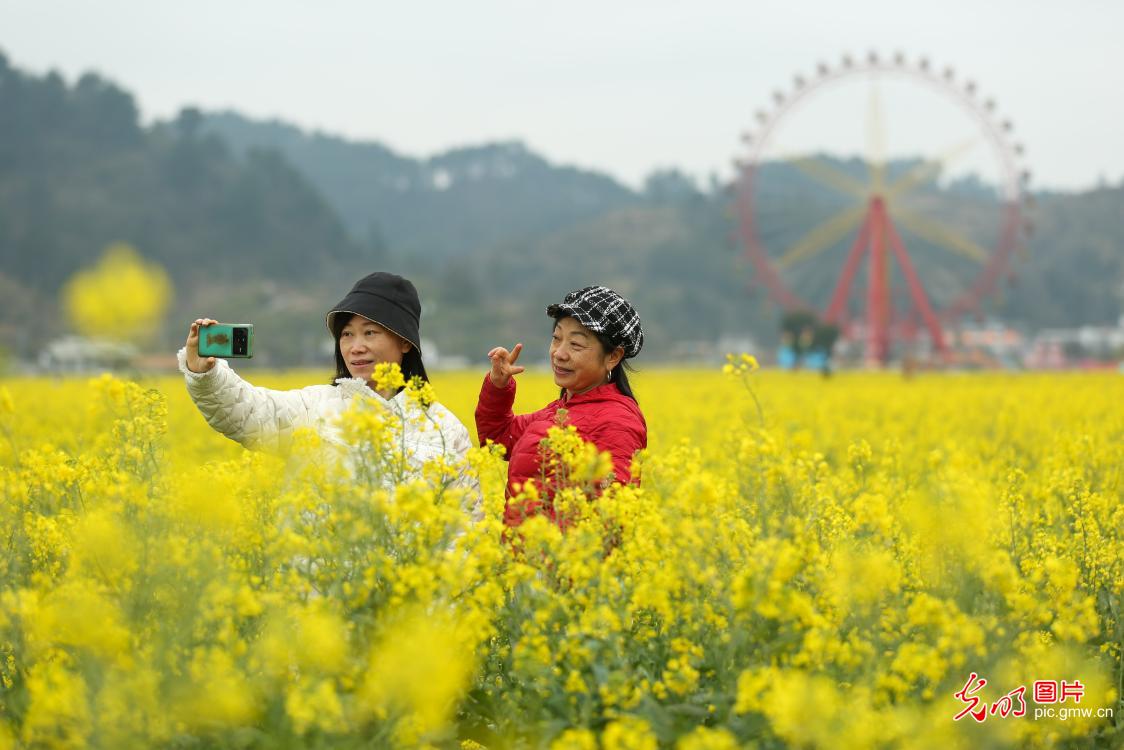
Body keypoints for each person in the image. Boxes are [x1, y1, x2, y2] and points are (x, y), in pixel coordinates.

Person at [178, 272, 472, 478]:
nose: (356, 347)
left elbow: (464, 528)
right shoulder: (313, 408)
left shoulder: (446, 430)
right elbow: (247, 412)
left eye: (370, 333)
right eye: (346, 334)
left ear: (405, 341)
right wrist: (206, 374)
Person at [476, 285, 647, 527]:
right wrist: (498, 386)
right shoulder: (559, 412)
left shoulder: (617, 421)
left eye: (576, 344)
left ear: (613, 357)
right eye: (556, 339)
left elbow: (611, 519)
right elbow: (496, 440)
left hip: (560, 562)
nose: (559, 353)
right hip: (530, 561)